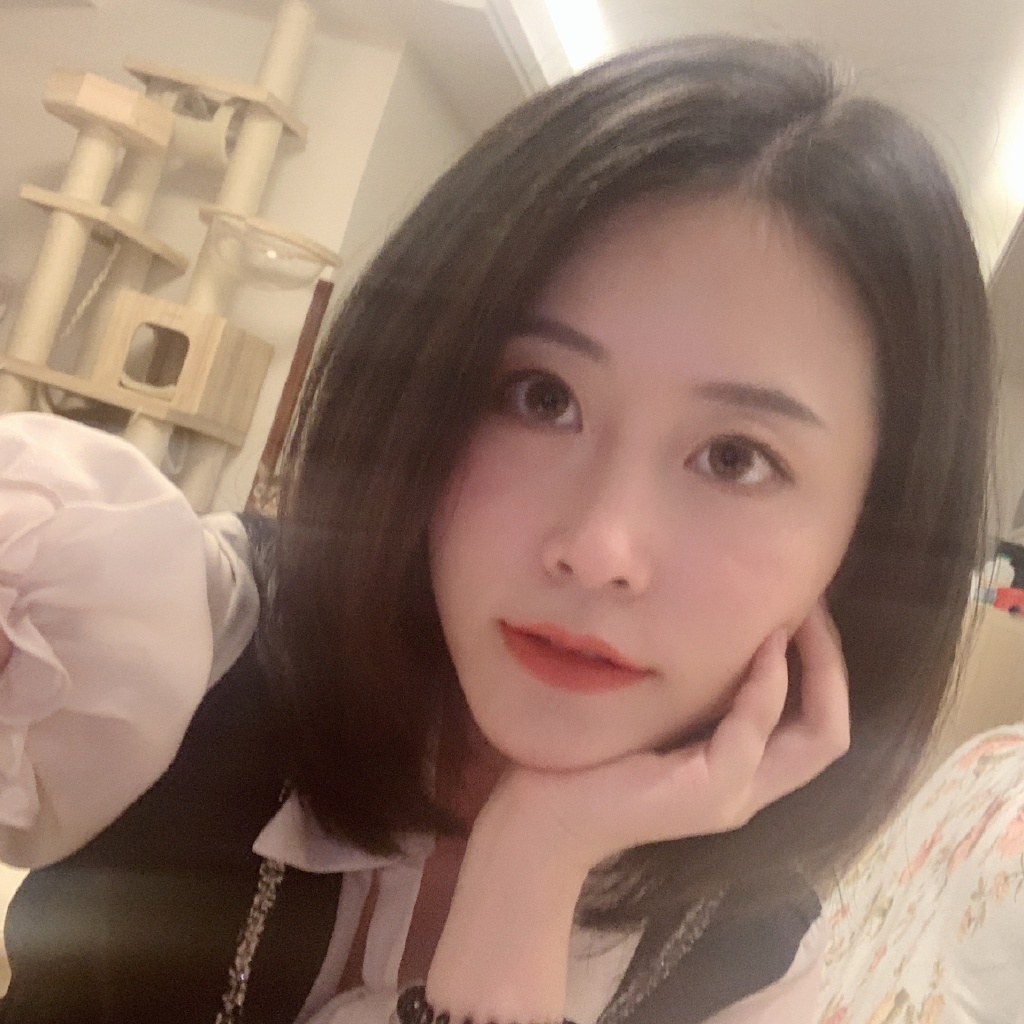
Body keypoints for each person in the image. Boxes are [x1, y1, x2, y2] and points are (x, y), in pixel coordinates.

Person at [0, 34, 992, 1024]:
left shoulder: (754, 973)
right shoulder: (153, 630)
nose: (598, 548)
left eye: (735, 458)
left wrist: (535, 862)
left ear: (864, 542)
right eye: (540, 396)